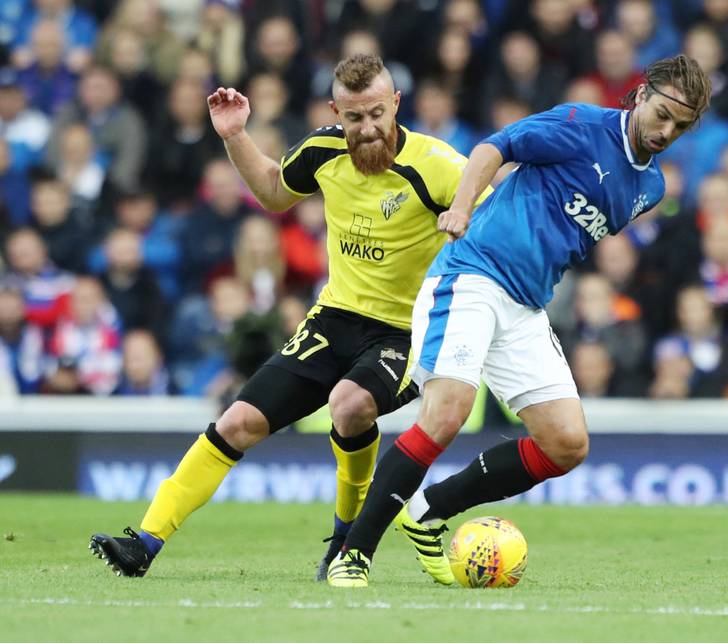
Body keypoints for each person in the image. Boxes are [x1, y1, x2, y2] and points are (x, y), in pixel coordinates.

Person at [89, 54, 489, 580]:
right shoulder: (324, 149)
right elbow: (277, 192)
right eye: (354, 118)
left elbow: (492, 212)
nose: (367, 130)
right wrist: (235, 136)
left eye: (376, 114)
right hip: (335, 318)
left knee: (349, 406)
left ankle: (348, 538)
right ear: (335, 113)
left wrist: (465, 224)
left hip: (408, 329)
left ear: (396, 105)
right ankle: (145, 540)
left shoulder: (436, 165)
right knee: (238, 421)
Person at [327, 54, 711, 587]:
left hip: (526, 306)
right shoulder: (581, 126)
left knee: (567, 444)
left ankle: (428, 510)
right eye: (664, 113)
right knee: (448, 412)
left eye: (682, 125)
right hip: (473, 274)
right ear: (642, 94)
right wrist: (461, 208)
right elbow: (495, 147)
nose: (667, 130)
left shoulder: (651, 190)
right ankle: (354, 553)